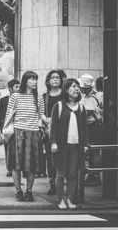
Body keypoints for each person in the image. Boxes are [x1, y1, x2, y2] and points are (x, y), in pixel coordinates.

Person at [5, 71, 44, 202]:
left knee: (31, 165)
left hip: (33, 132)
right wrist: (6, 133)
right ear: (25, 81)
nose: (35, 82)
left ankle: (29, 190)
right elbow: (8, 116)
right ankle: (18, 190)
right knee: (16, 165)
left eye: (36, 79)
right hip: (18, 132)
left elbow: (40, 116)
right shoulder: (15, 97)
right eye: (32, 79)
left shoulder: (38, 97)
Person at [50, 78, 88, 209]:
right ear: (66, 89)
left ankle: (70, 199)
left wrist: (85, 145)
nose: (77, 88)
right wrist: (53, 142)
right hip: (61, 146)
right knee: (60, 173)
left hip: (76, 146)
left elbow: (84, 129)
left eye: (78, 86)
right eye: (73, 86)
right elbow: (53, 126)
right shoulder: (59, 106)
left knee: (72, 173)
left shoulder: (81, 108)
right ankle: (60, 200)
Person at [41, 70, 64, 195]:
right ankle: (52, 184)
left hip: (64, 131)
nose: (55, 79)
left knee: (63, 157)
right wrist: (46, 120)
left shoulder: (65, 95)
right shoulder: (45, 96)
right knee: (50, 159)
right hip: (49, 131)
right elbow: (40, 112)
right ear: (48, 81)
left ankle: (61, 182)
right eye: (53, 77)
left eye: (57, 77)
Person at [78, 74, 102, 185]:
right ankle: (90, 175)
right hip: (88, 126)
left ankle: (95, 176)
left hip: (93, 126)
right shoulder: (85, 96)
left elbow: (85, 113)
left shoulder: (93, 97)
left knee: (94, 151)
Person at [0, 79, 20, 177]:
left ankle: (19, 168)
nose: (18, 89)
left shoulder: (21, 99)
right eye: (16, 87)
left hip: (18, 127)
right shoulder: (4, 100)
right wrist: (0, 128)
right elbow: (0, 114)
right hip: (7, 128)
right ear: (10, 88)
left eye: (19, 87)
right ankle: (10, 168)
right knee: (8, 149)